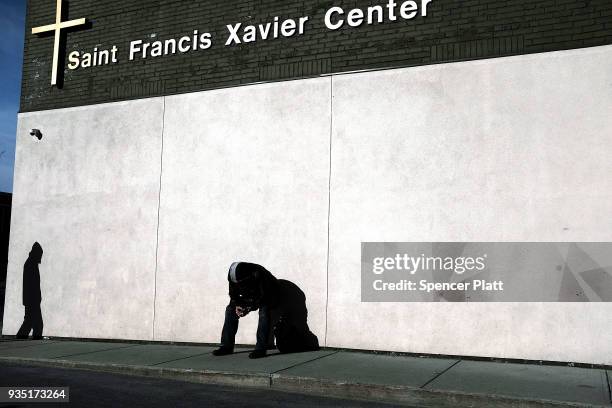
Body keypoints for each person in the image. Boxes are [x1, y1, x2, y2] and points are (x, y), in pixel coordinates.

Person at [213, 262, 279, 359]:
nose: (238, 285)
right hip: (252, 293)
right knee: (230, 310)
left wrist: (248, 308)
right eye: (236, 283)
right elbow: (233, 293)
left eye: (241, 282)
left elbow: (262, 297)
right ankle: (226, 347)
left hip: (270, 293)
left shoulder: (261, 275)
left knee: (264, 312)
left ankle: (260, 349)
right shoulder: (232, 277)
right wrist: (237, 305)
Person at [16, 242, 44, 340]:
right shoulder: (31, 264)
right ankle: (26, 339)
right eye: (40, 254)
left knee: (30, 322)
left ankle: (21, 339)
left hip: (31, 300)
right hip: (32, 300)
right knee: (36, 324)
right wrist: (37, 298)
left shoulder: (30, 263)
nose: (41, 257)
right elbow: (32, 285)